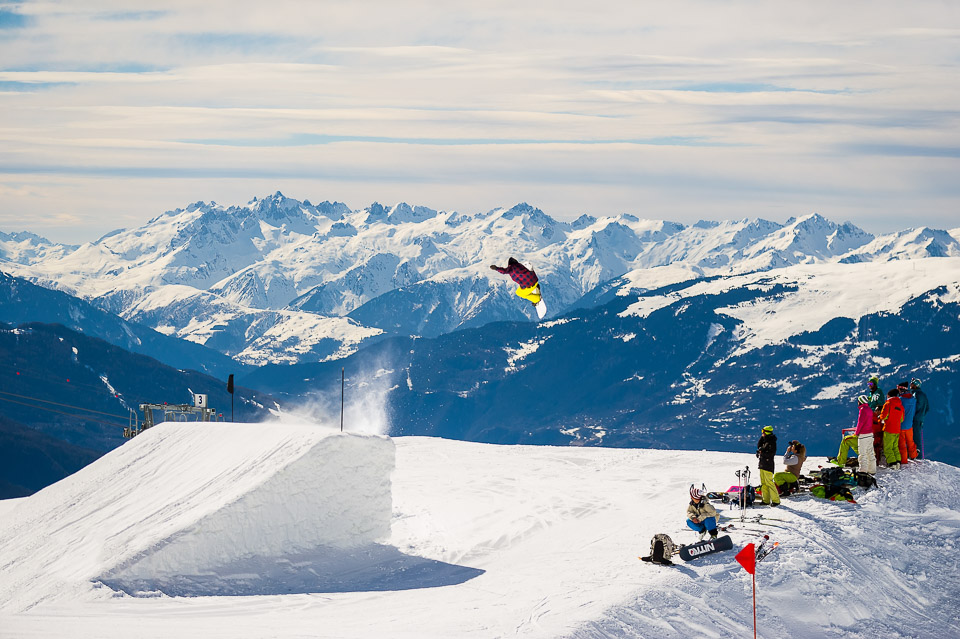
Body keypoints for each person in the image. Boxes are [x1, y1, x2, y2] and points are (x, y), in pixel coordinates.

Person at [879, 388, 904, 469]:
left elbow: (883, 416)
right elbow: (902, 419)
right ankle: (898, 462)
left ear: (889, 395)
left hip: (889, 428)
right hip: (897, 429)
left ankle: (892, 463)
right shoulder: (900, 405)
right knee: (895, 446)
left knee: (888, 447)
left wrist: (880, 417)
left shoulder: (888, 404)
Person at [756, 425, 780, 506]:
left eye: (763, 432)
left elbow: (771, 454)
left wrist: (762, 453)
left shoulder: (771, 442)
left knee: (769, 482)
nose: (762, 433)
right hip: (762, 464)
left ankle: (776, 500)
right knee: (763, 483)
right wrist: (762, 438)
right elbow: (759, 445)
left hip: (768, 465)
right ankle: (765, 500)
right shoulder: (765, 441)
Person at [854, 395, 877, 474]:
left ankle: (863, 470)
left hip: (863, 435)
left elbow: (860, 422)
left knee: (862, 453)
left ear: (860, 401)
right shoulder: (869, 409)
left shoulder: (863, 410)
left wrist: (856, 433)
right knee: (870, 452)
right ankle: (872, 470)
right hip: (870, 434)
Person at [897, 382, 919, 463]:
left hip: (901, 425)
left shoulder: (900, 400)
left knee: (902, 444)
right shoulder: (913, 399)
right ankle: (913, 455)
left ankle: (904, 460)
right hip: (910, 425)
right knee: (910, 441)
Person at [911, 378, 929, 459]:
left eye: (912, 384)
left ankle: (917, 456)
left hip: (915, 419)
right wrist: (922, 416)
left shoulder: (915, 394)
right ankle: (918, 455)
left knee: (915, 438)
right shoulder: (923, 394)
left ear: (915, 385)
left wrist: (912, 415)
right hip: (920, 419)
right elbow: (927, 408)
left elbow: (915, 407)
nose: (910, 385)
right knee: (918, 437)